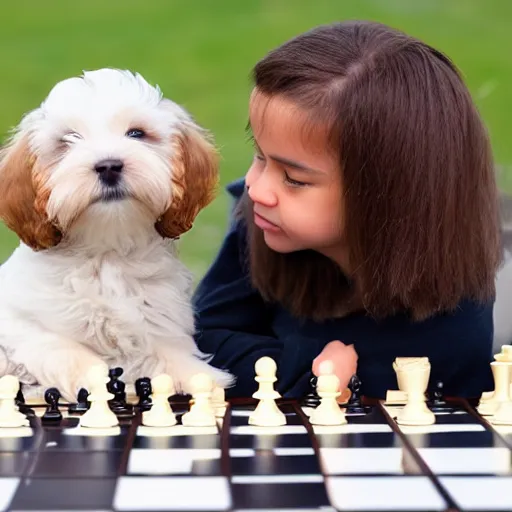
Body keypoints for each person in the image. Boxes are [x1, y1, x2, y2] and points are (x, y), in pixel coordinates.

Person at [192, 20, 502, 400]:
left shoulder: (449, 324)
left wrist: (320, 381)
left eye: (293, 178)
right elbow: (202, 340)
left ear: (386, 193)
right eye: (259, 156)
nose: (257, 188)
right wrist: (306, 372)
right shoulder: (264, 218)